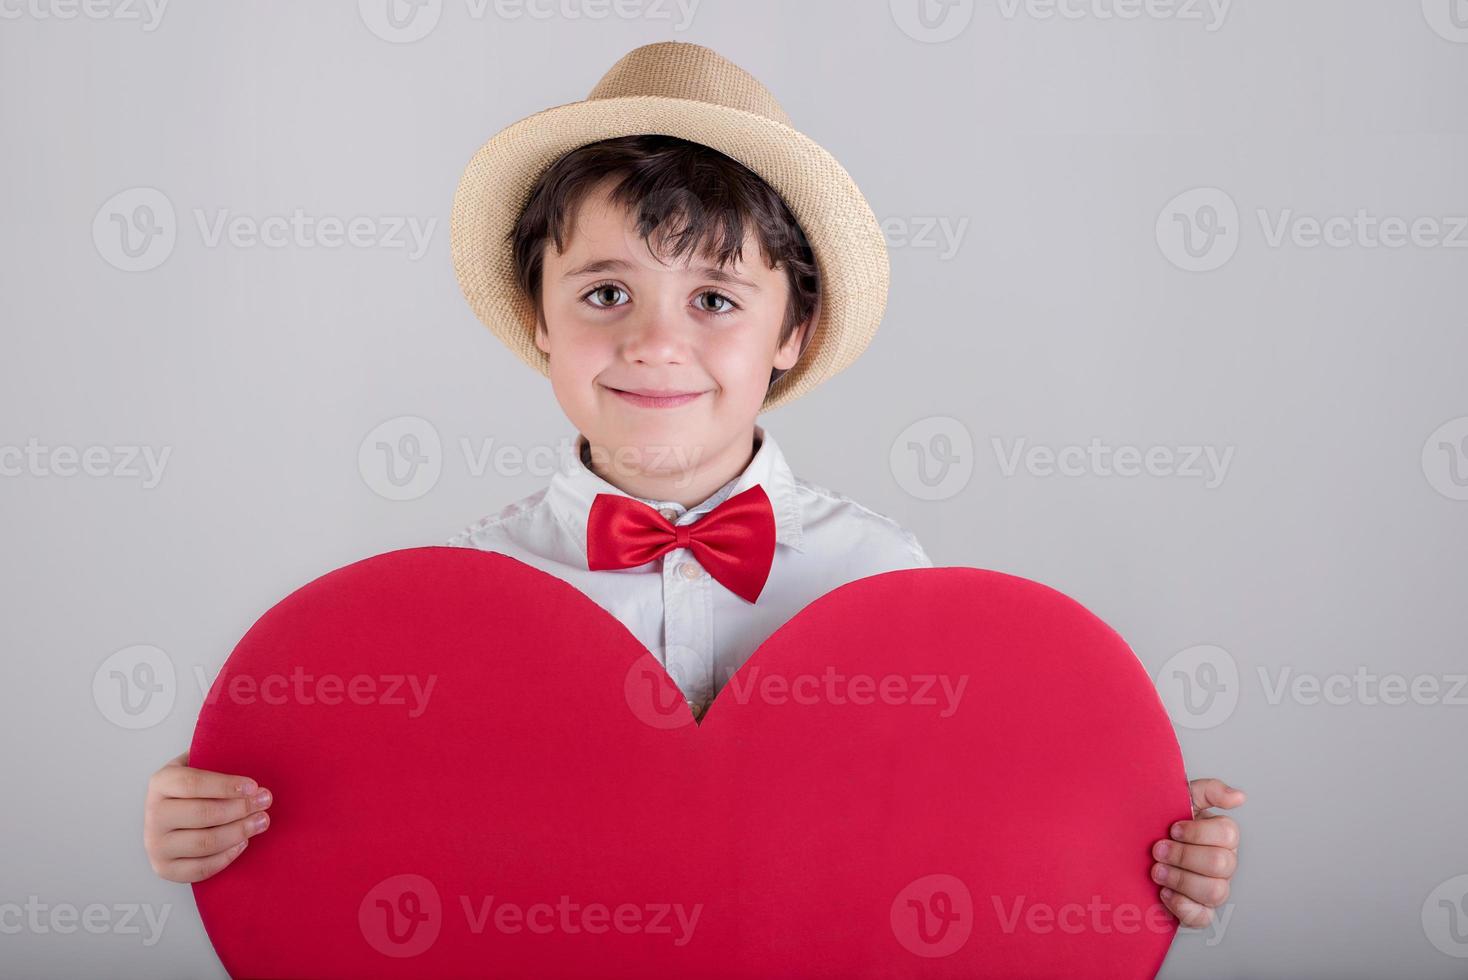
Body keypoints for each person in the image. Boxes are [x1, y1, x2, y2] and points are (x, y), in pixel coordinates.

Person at [142, 41, 1243, 930]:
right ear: (538, 314)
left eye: (715, 299)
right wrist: (220, 823)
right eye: (606, 291)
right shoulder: (465, 599)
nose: (656, 343)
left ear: (791, 333)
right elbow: (391, 839)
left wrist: (1138, 837)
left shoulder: (890, 588)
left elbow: (971, 832)